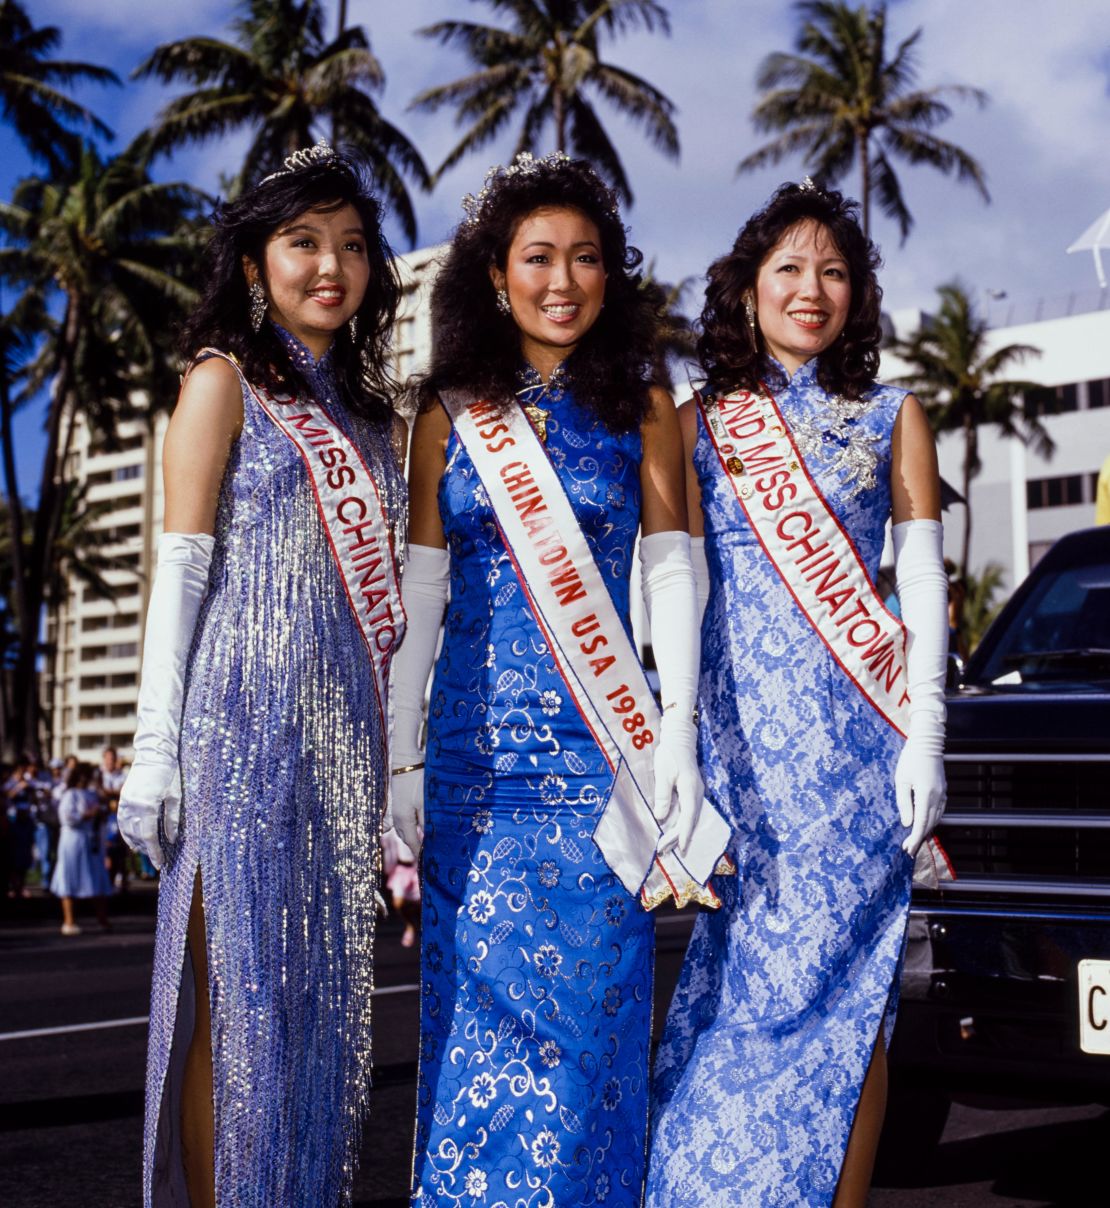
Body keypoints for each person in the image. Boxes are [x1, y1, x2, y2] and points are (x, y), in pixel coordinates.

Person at [393, 151, 730, 1206]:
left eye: (586, 257)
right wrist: (401, 752)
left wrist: (675, 728)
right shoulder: (448, 412)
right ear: (496, 274)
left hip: (600, 769)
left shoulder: (640, 400)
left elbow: (674, 563)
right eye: (539, 256)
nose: (564, 279)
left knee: (588, 1052)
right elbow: (420, 596)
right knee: (472, 1058)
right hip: (473, 779)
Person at [646, 182, 949, 1208]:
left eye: (833, 271)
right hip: (745, 764)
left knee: (852, 1003)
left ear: (858, 294)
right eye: (788, 269)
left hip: (861, 764)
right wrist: (674, 745)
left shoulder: (893, 414)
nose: (810, 289)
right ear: (745, 289)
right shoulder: (696, 425)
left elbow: (923, 585)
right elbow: (670, 587)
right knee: (737, 999)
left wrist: (927, 741)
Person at [116, 142, 407, 1208]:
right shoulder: (221, 381)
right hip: (235, 740)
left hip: (341, 757)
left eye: (351, 245)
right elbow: (181, 567)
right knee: (234, 1010)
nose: (330, 264)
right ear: (253, 263)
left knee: (319, 1015)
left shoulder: (376, 419)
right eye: (302, 242)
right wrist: (153, 748)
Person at [50, 761, 111, 935]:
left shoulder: (92, 794)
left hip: (89, 839)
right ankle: (68, 921)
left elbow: (103, 808)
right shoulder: (70, 794)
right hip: (73, 839)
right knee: (70, 876)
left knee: (96, 876)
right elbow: (67, 817)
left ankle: (102, 919)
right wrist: (88, 814)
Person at [94, 746, 128, 890]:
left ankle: (121, 880)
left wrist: (109, 793)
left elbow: (124, 791)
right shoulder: (99, 774)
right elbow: (99, 791)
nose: (110, 762)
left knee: (120, 850)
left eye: (112, 759)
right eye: (108, 759)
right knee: (106, 849)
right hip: (104, 817)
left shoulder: (122, 775)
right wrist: (113, 793)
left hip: (119, 816)